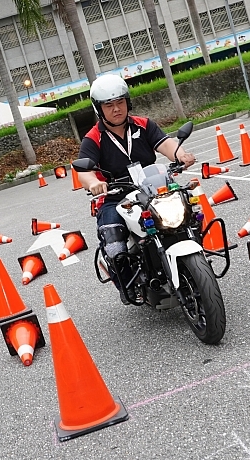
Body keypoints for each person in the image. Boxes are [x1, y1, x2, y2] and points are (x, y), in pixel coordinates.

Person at [77, 75, 196, 304]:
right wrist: (93, 183)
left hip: (152, 187)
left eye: (120, 102)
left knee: (189, 211)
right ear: (99, 109)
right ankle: (127, 285)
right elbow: (83, 172)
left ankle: (194, 255)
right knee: (113, 241)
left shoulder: (144, 124)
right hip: (115, 195)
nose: (116, 109)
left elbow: (166, 144)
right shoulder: (93, 138)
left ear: (127, 102)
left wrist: (181, 155)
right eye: (108, 105)